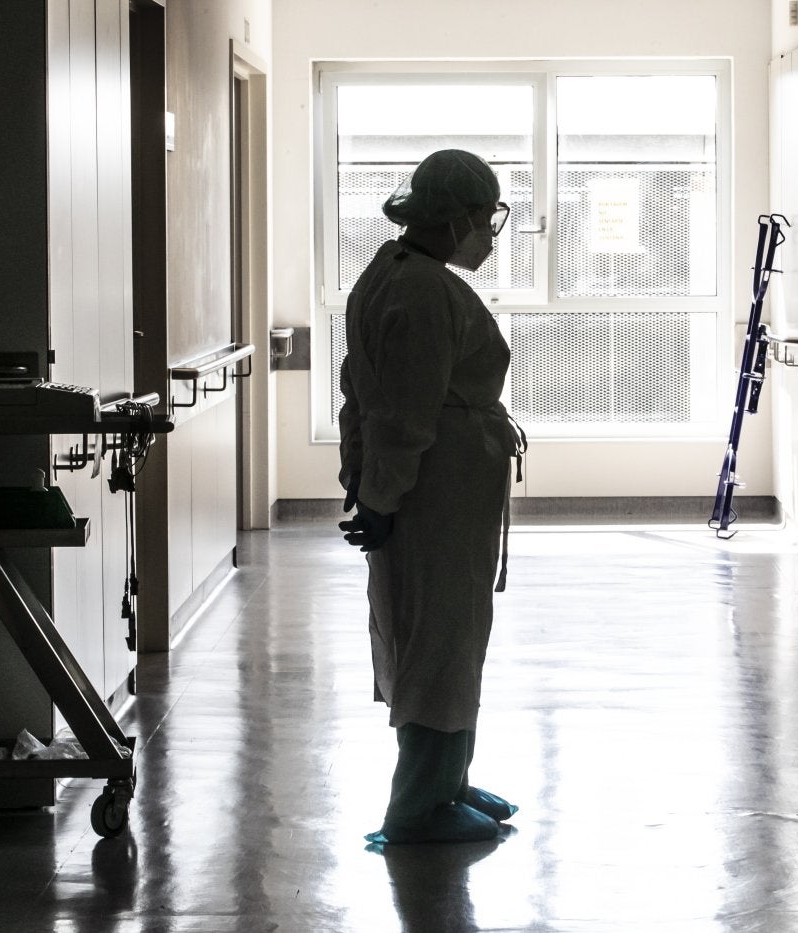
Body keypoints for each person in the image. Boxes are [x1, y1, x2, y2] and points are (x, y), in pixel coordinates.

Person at [337, 149, 525, 845]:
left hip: (427, 489)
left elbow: (360, 392)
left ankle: (445, 779)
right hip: (432, 490)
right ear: (451, 215)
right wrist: (382, 496)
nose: (489, 230)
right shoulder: (421, 292)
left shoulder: (393, 274)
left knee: (435, 633)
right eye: (483, 216)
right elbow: (405, 413)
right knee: (440, 641)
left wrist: (368, 485)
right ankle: (419, 804)